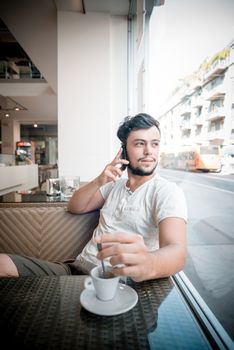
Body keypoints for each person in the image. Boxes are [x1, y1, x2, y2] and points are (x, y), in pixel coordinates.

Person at [0, 113, 187, 281]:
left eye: (154, 143)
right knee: (2, 263)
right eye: (140, 143)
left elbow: (176, 252)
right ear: (124, 149)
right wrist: (99, 180)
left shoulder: (167, 192)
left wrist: (149, 263)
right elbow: (75, 206)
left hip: (115, 282)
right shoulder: (114, 185)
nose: (149, 151)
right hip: (74, 270)